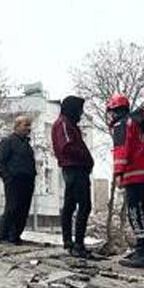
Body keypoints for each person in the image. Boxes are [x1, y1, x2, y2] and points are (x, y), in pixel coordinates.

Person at [110, 94, 144, 269]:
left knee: (136, 215)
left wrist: (118, 173)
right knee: (142, 214)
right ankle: (143, 250)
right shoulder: (141, 124)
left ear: (114, 111)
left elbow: (121, 149)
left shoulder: (122, 124)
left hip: (135, 175)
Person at [52, 95, 93, 257]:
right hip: (75, 168)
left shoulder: (68, 124)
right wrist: (85, 158)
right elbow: (67, 146)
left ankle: (70, 242)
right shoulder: (63, 124)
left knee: (70, 205)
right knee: (84, 205)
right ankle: (77, 244)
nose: (81, 113)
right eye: (79, 109)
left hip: (75, 168)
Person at [0, 115, 37, 244]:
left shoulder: (27, 145)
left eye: (30, 125)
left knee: (23, 210)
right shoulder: (8, 142)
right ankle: (3, 237)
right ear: (17, 126)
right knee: (12, 208)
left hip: (27, 182)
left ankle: (15, 236)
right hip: (14, 181)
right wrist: (8, 178)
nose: (29, 128)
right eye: (26, 125)